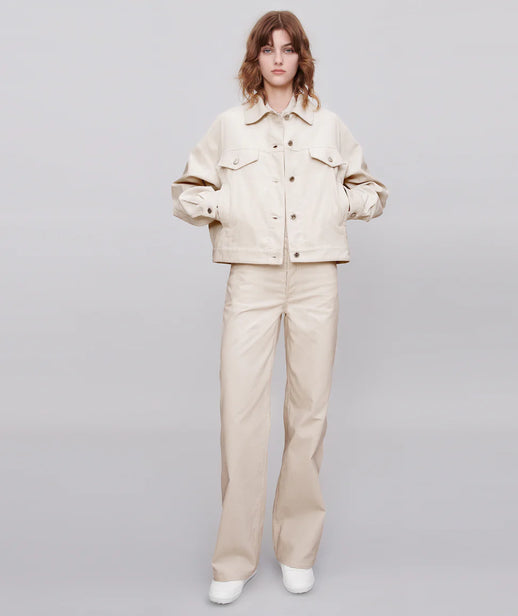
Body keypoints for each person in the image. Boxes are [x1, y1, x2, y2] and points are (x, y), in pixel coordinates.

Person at [171, 10, 388, 605]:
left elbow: (371, 190)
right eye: (268, 49)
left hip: (316, 278)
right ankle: (235, 558)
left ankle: (297, 550)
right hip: (252, 277)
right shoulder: (229, 126)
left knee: (308, 412)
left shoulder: (329, 126)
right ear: (255, 58)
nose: (277, 59)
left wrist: (337, 206)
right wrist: (227, 208)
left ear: (301, 58)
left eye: (288, 49)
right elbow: (187, 193)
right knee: (241, 414)